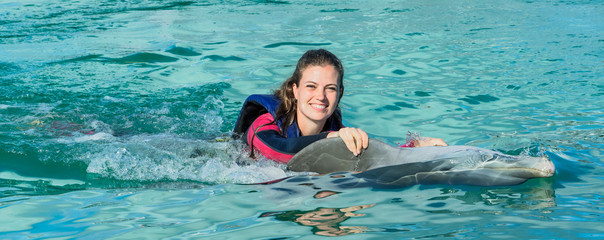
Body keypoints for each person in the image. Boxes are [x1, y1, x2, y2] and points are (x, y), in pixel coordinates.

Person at [233, 49, 446, 163]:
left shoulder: (337, 131)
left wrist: (414, 150)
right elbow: (275, 151)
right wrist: (328, 140)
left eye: (330, 88)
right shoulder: (264, 123)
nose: (321, 96)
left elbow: (370, 157)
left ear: (340, 93)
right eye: (311, 86)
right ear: (295, 90)